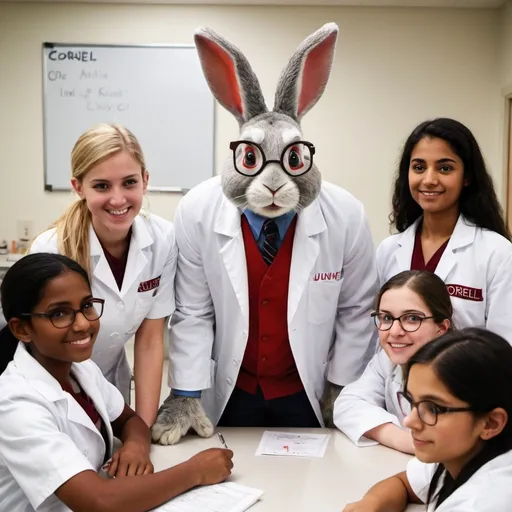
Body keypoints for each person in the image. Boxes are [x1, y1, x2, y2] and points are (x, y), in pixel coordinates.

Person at [151, 23, 379, 445]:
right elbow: (193, 312)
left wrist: (341, 389)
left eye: (291, 157)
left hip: (307, 390)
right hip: (231, 387)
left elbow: (356, 311)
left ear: (303, 155)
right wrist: (185, 392)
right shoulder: (199, 210)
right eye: (253, 157)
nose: (272, 181)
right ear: (238, 153)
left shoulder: (345, 213)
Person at [0, 253, 233, 512]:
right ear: (21, 329)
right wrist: (195, 471)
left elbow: (129, 420)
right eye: (59, 313)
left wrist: (135, 447)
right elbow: (99, 502)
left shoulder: (81, 370)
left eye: (87, 305)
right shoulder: (15, 405)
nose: (82, 323)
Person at [29, 123, 177, 426]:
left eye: (129, 182)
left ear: (145, 181)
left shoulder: (163, 239)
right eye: (101, 186)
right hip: (52, 393)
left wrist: (142, 430)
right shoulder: (51, 249)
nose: (118, 199)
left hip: (111, 387)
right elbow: (40, 347)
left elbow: (150, 342)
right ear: (77, 187)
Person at [343, 328, 512, 511]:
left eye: (433, 408)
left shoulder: (483, 502)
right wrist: (370, 504)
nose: (409, 421)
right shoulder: (459, 454)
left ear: (490, 423)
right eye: (412, 402)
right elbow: (404, 483)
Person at [376, 118, 512, 342]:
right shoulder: (388, 250)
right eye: (419, 167)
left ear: (466, 177)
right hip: (396, 377)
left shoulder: (498, 254)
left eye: (445, 168)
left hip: (466, 377)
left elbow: (503, 346)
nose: (429, 180)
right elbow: (381, 337)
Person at [334, 270, 451, 453]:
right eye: (387, 318)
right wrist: (407, 442)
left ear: (441, 328)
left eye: (412, 318)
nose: (395, 331)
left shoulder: (463, 374)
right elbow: (347, 404)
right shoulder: (386, 361)